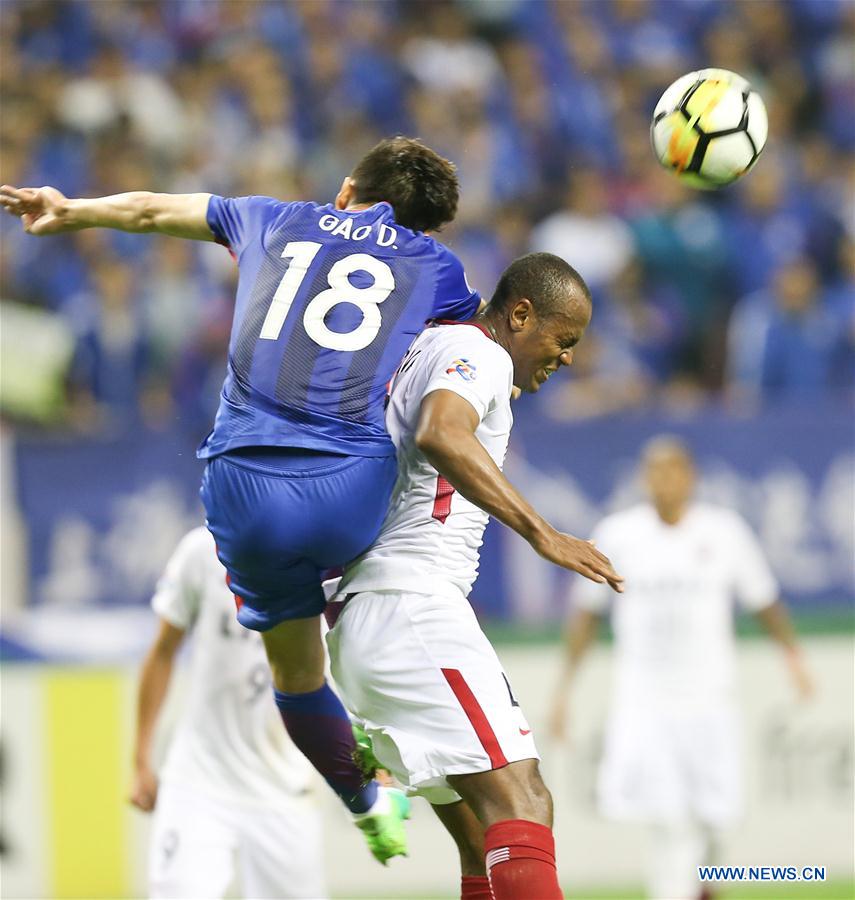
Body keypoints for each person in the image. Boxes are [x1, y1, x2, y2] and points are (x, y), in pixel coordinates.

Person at [1, 136, 482, 861]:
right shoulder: (435, 265)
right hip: (349, 492)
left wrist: (71, 211)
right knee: (405, 420)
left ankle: (365, 801)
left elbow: (149, 212)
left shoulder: (275, 217)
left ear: (347, 187)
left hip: (240, 485)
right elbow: (468, 354)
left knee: (294, 677)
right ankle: (402, 695)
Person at [325, 252, 625, 900]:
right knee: (523, 799)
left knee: (475, 835)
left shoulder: (434, 345)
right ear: (519, 314)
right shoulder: (478, 353)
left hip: (366, 622)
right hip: (411, 606)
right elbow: (440, 431)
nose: (568, 358)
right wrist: (541, 531)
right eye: (561, 339)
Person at [548, 436, 813, 900]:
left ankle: (706, 885)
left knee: (717, 815)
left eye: (673, 471)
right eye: (655, 471)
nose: (664, 481)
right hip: (646, 701)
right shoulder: (618, 534)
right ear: (644, 479)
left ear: (691, 477)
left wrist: (794, 660)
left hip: (711, 699)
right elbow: (587, 614)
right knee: (666, 818)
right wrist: (564, 691)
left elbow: (763, 600)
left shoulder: (724, 531)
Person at [131, 526, 327, 899]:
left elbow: (343, 676)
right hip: (198, 780)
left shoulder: (328, 557)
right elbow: (162, 651)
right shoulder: (202, 550)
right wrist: (140, 760)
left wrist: (371, 771)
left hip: (286, 788)